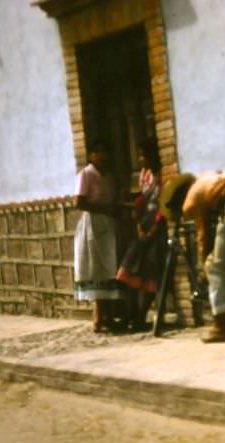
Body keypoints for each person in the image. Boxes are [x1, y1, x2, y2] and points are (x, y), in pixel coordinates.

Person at [161, 171, 225, 343]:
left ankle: (220, 327)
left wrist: (203, 263)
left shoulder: (189, 202)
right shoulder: (207, 179)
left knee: (214, 266)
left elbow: (202, 234)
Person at [116, 138, 166, 330]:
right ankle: (133, 314)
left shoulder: (162, 176)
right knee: (130, 268)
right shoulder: (144, 175)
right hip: (143, 225)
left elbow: (162, 203)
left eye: (143, 155)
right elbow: (141, 202)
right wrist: (138, 225)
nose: (141, 159)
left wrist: (154, 229)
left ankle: (142, 314)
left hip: (157, 227)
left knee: (151, 271)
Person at [73, 140, 122, 333]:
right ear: (91, 155)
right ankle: (98, 316)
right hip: (93, 225)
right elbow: (79, 202)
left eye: (105, 152)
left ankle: (107, 316)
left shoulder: (108, 176)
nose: (102, 156)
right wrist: (104, 209)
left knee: (109, 266)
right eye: (98, 152)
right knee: (96, 268)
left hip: (108, 224)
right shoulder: (86, 174)